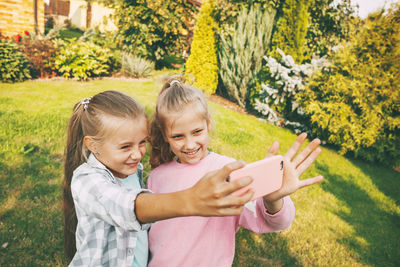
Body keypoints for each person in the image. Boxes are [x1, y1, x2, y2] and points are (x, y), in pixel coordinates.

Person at [62, 90, 257, 266]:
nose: (138, 155)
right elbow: (125, 207)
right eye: (125, 147)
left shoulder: (131, 171)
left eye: (141, 143)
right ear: (93, 145)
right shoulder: (87, 180)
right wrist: (191, 200)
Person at [147, 80, 324, 267]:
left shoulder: (229, 171)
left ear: (208, 124)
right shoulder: (157, 177)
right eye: (178, 136)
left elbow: (272, 222)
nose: (190, 144)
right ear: (165, 135)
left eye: (197, 132)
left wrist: (272, 200)